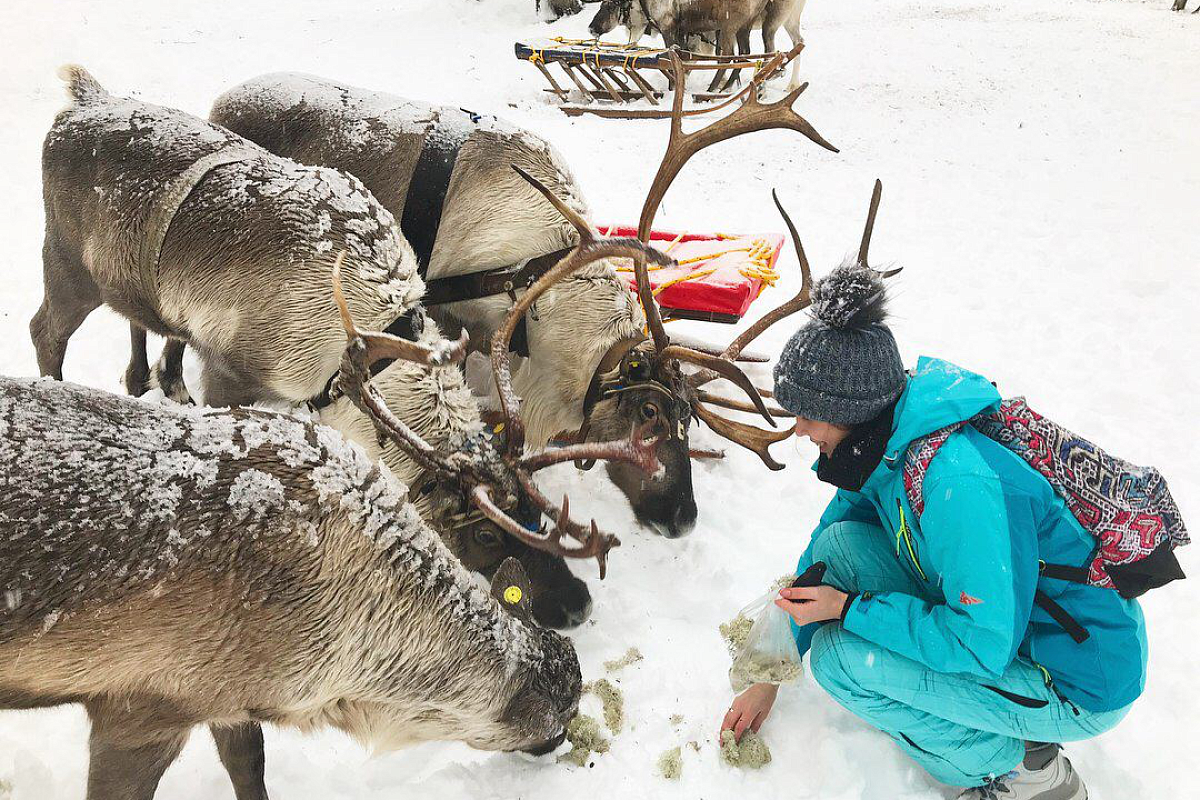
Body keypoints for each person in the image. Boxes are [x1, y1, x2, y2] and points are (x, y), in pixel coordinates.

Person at [720, 260, 1146, 800]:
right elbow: (829, 548)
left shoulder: (955, 483)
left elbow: (979, 645)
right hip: (1013, 624)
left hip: (1072, 677)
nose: (798, 429)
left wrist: (849, 610)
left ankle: (1020, 769)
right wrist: (771, 669)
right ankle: (997, 735)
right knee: (840, 545)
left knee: (840, 661)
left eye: (806, 414)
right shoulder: (890, 442)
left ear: (847, 409)